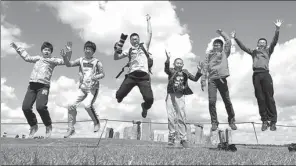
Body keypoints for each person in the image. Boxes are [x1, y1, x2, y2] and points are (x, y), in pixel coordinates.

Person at [231, 19, 283, 131]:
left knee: (269, 97)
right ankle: (264, 121)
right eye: (261, 42)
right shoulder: (253, 52)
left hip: (265, 74)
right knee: (260, 98)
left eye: (264, 42)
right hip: (256, 75)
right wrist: (235, 38)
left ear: (266, 45)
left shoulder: (268, 51)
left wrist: (277, 29)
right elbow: (243, 47)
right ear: (258, 44)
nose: (262, 43)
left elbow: (274, 41)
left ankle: (273, 121)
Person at [10, 41, 66, 138]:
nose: (46, 51)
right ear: (41, 51)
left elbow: (64, 62)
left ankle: (48, 126)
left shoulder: (53, 60)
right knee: (25, 107)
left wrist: (66, 55)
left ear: (51, 52)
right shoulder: (37, 58)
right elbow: (26, 57)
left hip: (43, 86)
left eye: (49, 50)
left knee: (40, 107)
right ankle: (33, 126)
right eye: (45, 50)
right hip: (32, 86)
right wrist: (17, 47)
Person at [60, 41, 105, 138]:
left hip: (92, 89)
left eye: (90, 49)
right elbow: (68, 64)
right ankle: (71, 128)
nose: (87, 51)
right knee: (71, 105)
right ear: (84, 50)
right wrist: (65, 56)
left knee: (87, 105)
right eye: (86, 49)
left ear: (93, 51)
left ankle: (96, 123)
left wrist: (95, 77)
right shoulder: (80, 60)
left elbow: (102, 74)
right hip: (82, 88)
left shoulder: (97, 62)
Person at [113, 14, 153, 118]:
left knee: (150, 100)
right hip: (131, 76)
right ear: (130, 41)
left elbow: (150, 33)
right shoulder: (129, 50)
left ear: (139, 39)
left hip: (143, 77)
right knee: (118, 96)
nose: (135, 40)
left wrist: (148, 21)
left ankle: (144, 107)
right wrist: (116, 50)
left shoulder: (145, 46)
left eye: (136, 39)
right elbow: (116, 58)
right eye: (133, 39)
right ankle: (120, 96)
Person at [200, 29, 237, 131]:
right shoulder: (209, 55)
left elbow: (228, 41)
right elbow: (205, 68)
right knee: (212, 102)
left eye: (218, 45)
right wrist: (203, 80)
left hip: (221, 80)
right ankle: (214, 122)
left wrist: (222, 33)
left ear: (221, 47)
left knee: (227, 101)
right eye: (214, 45)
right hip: (212, 80)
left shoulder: (225, 53)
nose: (216, 46)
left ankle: (231, 120)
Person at [164, 50, 202, 148]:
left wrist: (199, 71)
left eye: (181, 63)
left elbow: (195, 79)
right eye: (177, 63)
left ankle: (183, 138)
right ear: (174, 64)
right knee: (170, 116)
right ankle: (171, 137)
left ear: (183, 64)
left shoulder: (185, 72)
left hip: (180, 95)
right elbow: (166, 70)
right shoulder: (171, 71)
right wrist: (168, 59)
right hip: (170, 94)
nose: (179, 64)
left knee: (181, 116)